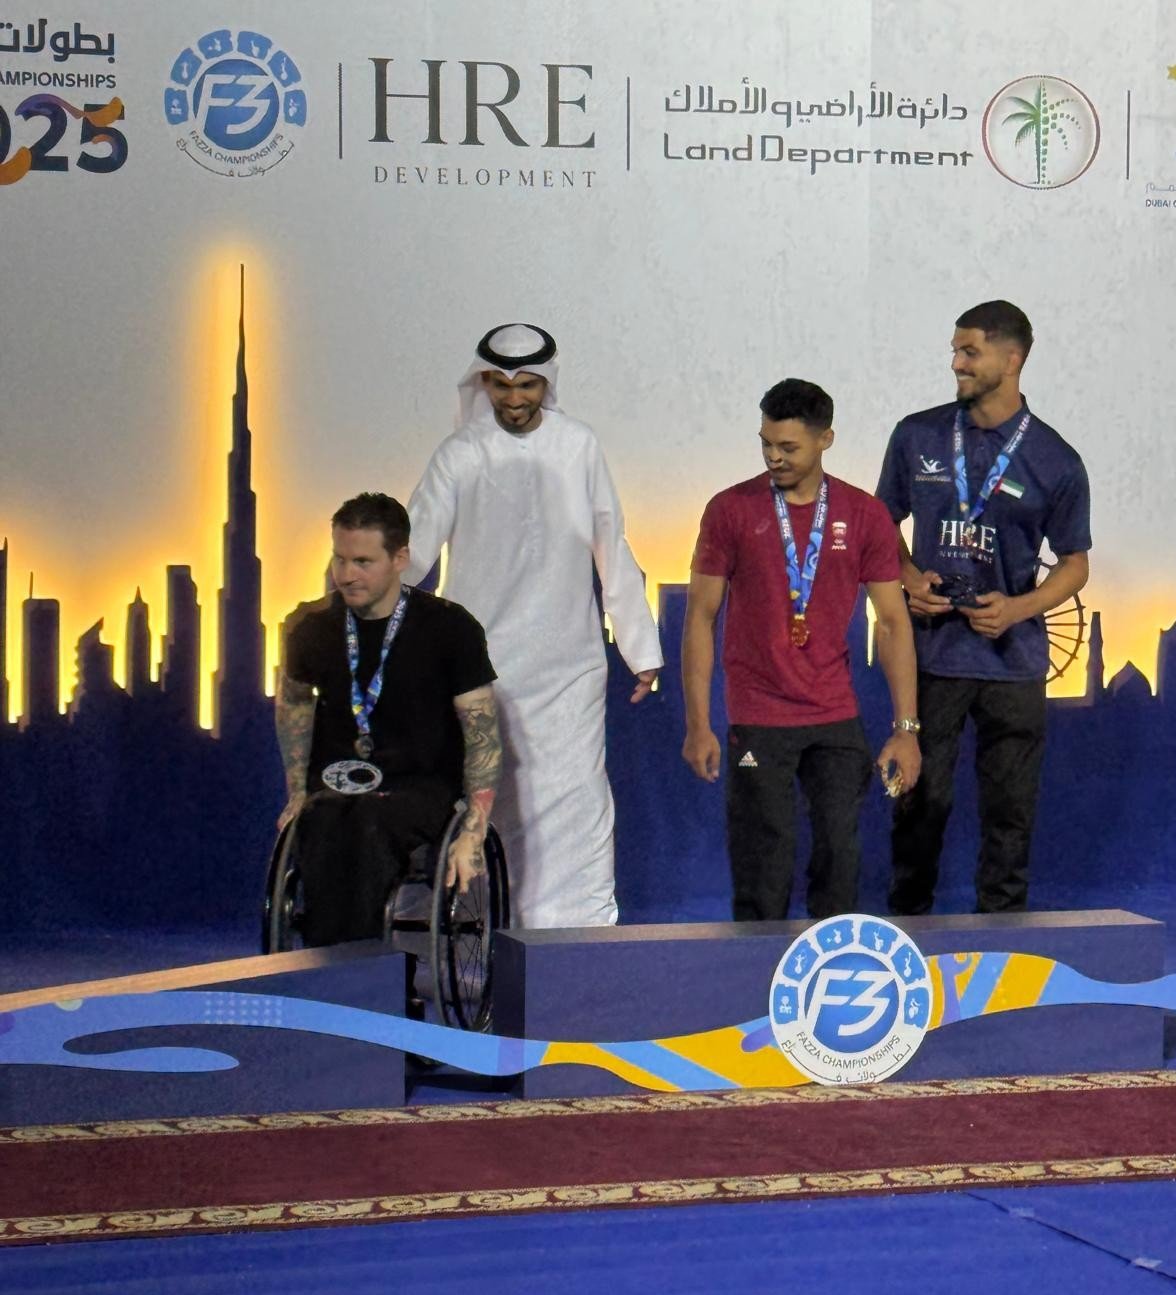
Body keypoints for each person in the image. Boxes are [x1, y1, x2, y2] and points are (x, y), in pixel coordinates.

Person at [403, 323, 663, 929]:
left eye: (527, 385)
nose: (515, 398)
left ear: (547, 383)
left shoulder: (578, 446)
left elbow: (611, 544)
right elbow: (411, 551)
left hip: (567, 666)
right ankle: (467, 935)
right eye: (501, 385)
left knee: (573, 802)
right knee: (475, 805)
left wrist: (640, 649)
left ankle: (573, 939)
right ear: (484, 383)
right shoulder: (460, 454)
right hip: (475, 670)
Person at [876, 299, 1091, 915]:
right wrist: (907, 576)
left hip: (1013, 662)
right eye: (955, 351)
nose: (956, 364)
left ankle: (1004, 938)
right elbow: (879, 525)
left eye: (969, 352)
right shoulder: (917, 435)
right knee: (920, 804)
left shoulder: (1056, 460)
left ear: (1012, 358)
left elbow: (1075, 564)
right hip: (933, 657)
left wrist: (1020, 608)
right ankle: (907, 930)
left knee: (1010, 815)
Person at [682, 378, 921, 922]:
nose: (774, 457)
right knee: (763, 865)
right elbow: (699, 617)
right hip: (758, 714)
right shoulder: (730, 509)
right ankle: (754, 970)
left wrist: (906, 729)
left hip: (834, 714)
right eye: (766, 444)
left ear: (825, 439)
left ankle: (829, 965)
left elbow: (892, 623)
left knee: (840, 857)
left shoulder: (864, 514)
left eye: (788, 447)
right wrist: (699, 725)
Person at [276, 492, 501, 947]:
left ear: (400, 559)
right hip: (335, 786)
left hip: (418, 789)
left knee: (367, 826)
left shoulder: (450, 628)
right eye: (340, 559)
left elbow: (482, 733)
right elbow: (294, 708)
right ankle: (336, 966)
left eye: (363, 562)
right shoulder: (309, 626)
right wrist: (296, 793)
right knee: (322, 823)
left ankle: (351, 969)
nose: (346, 574)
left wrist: (473, 831)